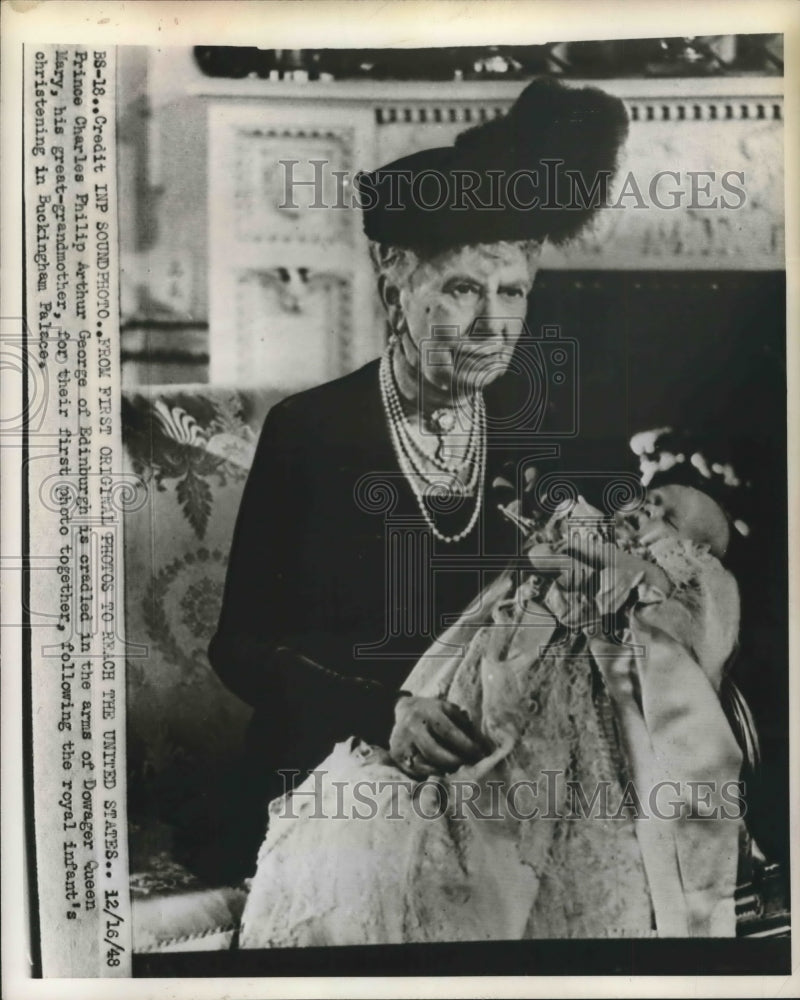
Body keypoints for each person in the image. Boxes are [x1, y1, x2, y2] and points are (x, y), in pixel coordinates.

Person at [208, 77, 630, 869]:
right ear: (394, 277)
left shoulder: (525, 422)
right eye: (463, 288)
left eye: (512, 293)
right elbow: (240, 645)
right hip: (335, 764)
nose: (491, 326)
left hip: (488, 774)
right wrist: (387, 714)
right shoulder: (311, 431)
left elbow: (606, 552)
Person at [237, 468, 749, 945]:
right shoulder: (584, 525)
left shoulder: (676, 579)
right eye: (649, 501)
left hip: (581, 703)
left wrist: (629, 570)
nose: (647, 513)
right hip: (499, 667)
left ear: (695, 549)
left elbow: (676, 632)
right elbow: (537, 562)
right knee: (451, 767)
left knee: (542, 805)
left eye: (669, 518)